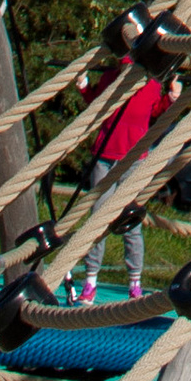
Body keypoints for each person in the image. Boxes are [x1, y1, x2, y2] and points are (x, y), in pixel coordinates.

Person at [70, 63, 176, 303]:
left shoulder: (150, 84)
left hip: (133, 160)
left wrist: (171, 97)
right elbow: (96, 103)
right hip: (105, 158)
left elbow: (156, 110)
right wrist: (84, 86)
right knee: (97, 220)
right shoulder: (110, 78)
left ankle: (134, 283)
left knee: (131, 223)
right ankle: (90, 281)